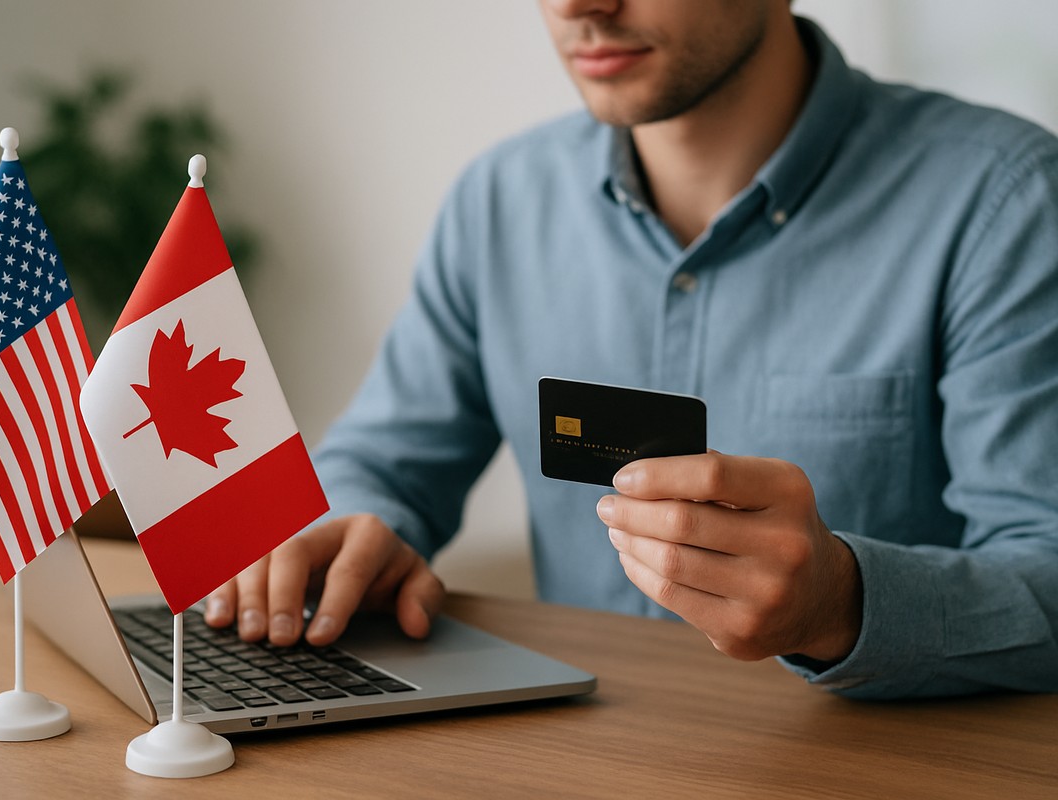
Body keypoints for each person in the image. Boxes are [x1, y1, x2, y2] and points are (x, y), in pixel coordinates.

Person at [206, 0, 1058, 699]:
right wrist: (356, 528)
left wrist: (842, 601)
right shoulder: (498, 204)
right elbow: (385, 462)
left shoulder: (1005, 203)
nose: (582, 7)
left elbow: (1047, 568)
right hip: (582, 764)